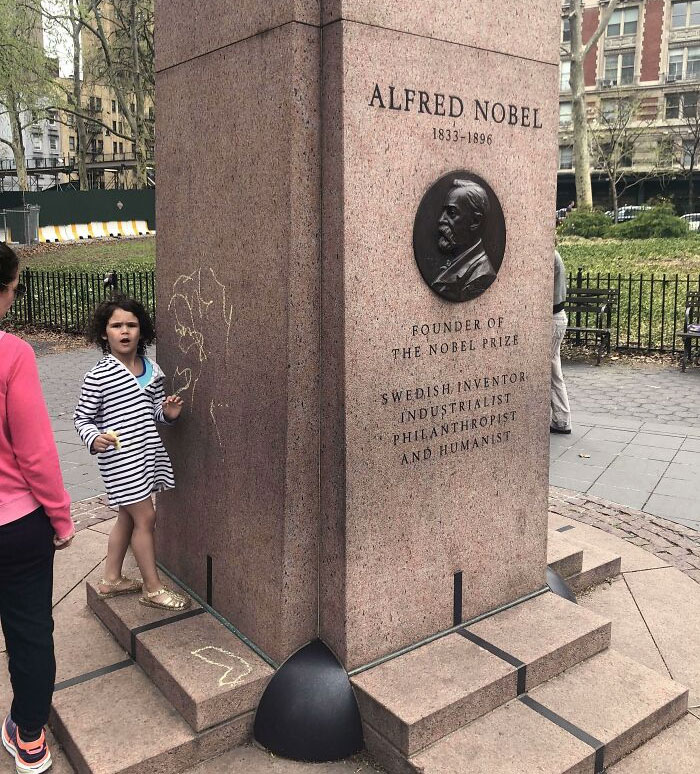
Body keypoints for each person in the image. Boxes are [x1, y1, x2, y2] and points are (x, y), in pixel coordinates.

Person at [0, 242, 74, 774]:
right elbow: (35, 452)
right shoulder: (14, 354)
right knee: (29, 632)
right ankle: (29, 737)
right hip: (16, 525)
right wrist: (62, 515)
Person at [74, 297, 189, 611]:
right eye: (116, 325)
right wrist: (94, 437)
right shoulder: (99, 374)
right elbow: (82, 417)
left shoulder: (152, 370)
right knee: (146, 516)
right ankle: (153, 589)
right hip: (120, 459)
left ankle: (111, 579)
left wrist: (170, 413)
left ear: (142, 331)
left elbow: (155, 413)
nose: (124, 331)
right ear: (104, 333)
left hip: (147, 454)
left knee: (127, 515)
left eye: (131, 325)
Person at [431, 179, 496, 301]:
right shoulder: (454, 261)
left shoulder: (481, 275)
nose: (441, 219)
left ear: (475, 221)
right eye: (443, 212)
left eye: (451, 212)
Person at [551, 250, 572, 434]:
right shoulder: (554, 253)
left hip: (553, 319)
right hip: (556, 318)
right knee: (554, 370)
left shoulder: (549, 254)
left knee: (550, 371)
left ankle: (562, 419)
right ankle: (561, 419)